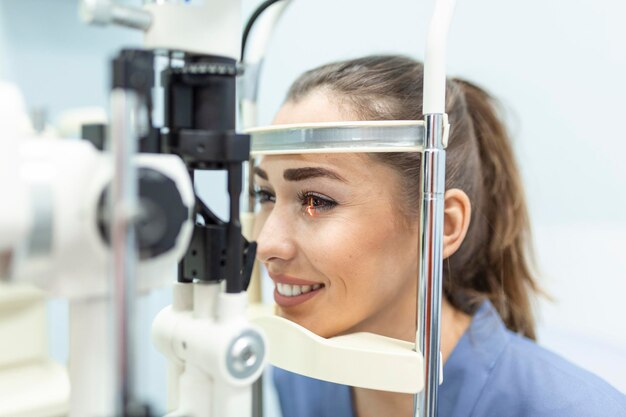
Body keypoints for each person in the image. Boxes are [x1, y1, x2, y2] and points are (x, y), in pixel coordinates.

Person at [252, 55, 626, 417]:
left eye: (317, 201)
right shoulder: (300, 377)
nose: (267, 244)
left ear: (441, 225)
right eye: (265, 195)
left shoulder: (574, 409)